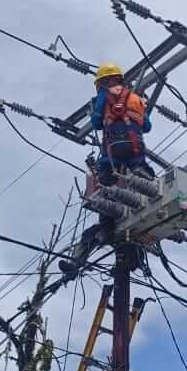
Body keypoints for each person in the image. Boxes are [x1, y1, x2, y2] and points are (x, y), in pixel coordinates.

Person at [59, 62, 155, 277]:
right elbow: (147, 126)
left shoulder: (104, 94)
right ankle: (128, 259)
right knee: (146, 184)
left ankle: (80, 259)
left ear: (102, 82)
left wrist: (103, 113)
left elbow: (96, 123)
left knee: (105, 193)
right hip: (136, 149)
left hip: (112, 152)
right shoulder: (136, 98)